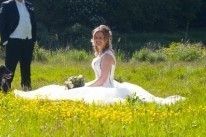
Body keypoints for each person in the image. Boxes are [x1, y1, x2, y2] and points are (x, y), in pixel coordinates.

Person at [14, 25, 185, 105]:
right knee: (58, 90)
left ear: (106, 39)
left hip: (106, 87)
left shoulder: (108, 56)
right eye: (96, 38)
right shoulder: (100, 53)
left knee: (74, 94)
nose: (97, 40)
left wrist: (83, 85)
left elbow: (102, 80)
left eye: (100, 38)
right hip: (101, 84)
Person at [0, 0, 37, 91]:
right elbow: (2, 24)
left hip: (27, 41)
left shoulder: (29, 5)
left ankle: (27, 89)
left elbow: (33, 23)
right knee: (10, 68)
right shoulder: (6, 5)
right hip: (13, 41)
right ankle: (5, 90)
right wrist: (4, 40)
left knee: (26, 67)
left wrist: (33, 39)